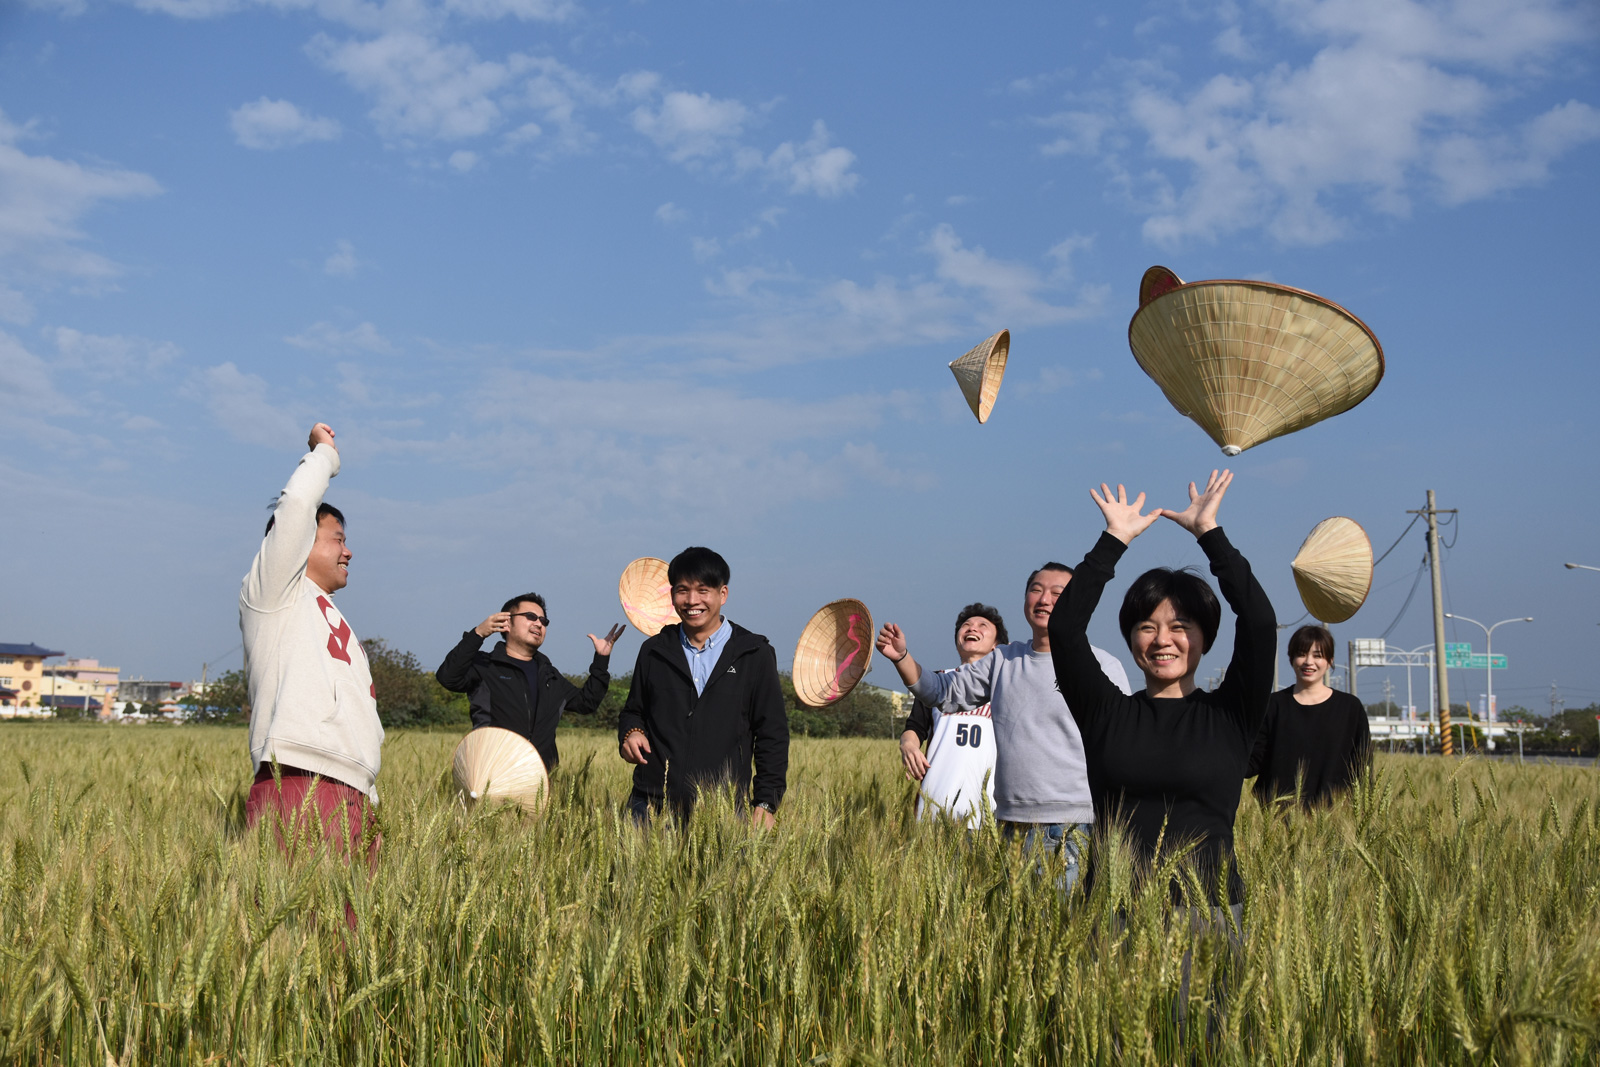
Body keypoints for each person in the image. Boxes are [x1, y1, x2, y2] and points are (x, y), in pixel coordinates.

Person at [1047, 470, 1276, 913]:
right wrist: (1113, 541)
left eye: (1180, 628)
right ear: (1131, 639)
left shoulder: (1232, 714)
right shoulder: (1105, 713)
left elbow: (1260, 623)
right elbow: (1065, 627)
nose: (1162, 640)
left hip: (1207, 916)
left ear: (1205, 639)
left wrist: (1210, 534)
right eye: (1146, 627)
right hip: (1112, 916)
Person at [876, 565, 1131, 885]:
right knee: (1018, 925)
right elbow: (940, 692)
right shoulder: (1003, 661)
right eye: (1036, 589)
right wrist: (901, 658)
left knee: (1063, 922)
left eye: (1058, 592)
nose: (1045, 598)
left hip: (1074, 821)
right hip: (1012, 823)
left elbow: (1123, 743)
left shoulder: (1103, 665)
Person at [240, 422, 382, 864]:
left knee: (352, 934)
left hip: (354, 793)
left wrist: (369, 799)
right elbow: (298, 504)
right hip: (300, 781)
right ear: (298, 543)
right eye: (338, 539)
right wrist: (324, 455)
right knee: (303, 932)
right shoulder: (274, 592)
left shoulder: (328, 612)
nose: (348, 551)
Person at [617, 547, 789, 825]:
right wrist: (631, 733)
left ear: (723, 594)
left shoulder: (754, 653)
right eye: (682, 590)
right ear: (671, 595)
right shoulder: (654, 651)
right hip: (650, 805)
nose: (692, 600)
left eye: (703, 590)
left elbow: (772, 733)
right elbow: (633, 711)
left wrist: (767, 801)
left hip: (724, 809)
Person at [435, 595, 625, 773]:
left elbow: (587, 702)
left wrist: (601, 659)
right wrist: (478, 634)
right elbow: (448, 677)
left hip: (539, 779)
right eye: (530, 616)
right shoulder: (485, 665)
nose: (539, 624)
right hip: (490, 773)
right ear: (506, 623)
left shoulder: (549, 674)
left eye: (544, 621)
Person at [898, 603, 1008, 827]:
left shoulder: (1006, 686)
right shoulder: (937, 683)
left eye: (982, 625)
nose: (971, 628)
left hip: (988, 816)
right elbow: (915, 728)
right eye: (965, 625)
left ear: (997, 645)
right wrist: (908, 746)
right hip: (934, 808)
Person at [1247, 624, 1372, 808]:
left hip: (1335, 820)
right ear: (1291, 659)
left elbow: (1363, 767)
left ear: (1330, 660)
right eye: (1301, 654)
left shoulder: (1350, 708)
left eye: (1318, 655)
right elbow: (1254, 759)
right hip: (1277, 821)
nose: (1308, 662)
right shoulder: (1272, 706)